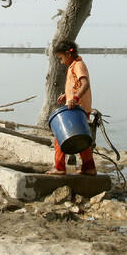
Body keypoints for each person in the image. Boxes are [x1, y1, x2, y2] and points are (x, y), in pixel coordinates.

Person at [47, 40, 96, 176]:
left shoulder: (78, 65)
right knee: (81, 136)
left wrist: (74, 98)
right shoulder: (73, 66)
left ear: (69, 54)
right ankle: (89, 168)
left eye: (61, 58)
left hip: (77, 108)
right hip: (77, 108)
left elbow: (84, 84)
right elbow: (75, 85)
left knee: (60, 136)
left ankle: (60, 167)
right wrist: (66, 95)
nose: (61, 62)